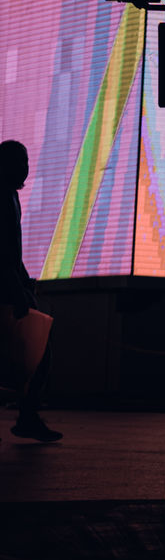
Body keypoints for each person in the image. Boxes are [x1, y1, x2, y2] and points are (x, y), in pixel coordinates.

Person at [0, 140, 61, 442]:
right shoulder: (3, 197)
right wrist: (18, 287)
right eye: (21, 161)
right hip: (7, 291)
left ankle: (28, 415)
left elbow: (11, 253)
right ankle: (28, 416)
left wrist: (23, 280)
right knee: (38, 355)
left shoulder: (10, 195)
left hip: (12, 287)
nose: (26, 167)